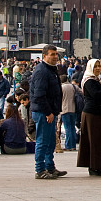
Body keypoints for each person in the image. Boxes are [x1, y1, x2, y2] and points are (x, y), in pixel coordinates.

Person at [30, 44, 66, 179]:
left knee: (51, 141)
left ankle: (50, 167)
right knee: (42, 141)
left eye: (56, 54)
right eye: (52, 54)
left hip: (50, 111)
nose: (55, 57)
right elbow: (39, 95)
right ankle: (40, 169)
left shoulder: (51, 69)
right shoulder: (42, 71)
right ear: (44, 56)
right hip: (43, 112)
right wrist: (48, 112)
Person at [77, 58, 101, 176]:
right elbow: (96, 95)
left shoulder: (98, 79)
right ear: (90, 68)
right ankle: (93, 166)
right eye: (95, 67)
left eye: (99, 66)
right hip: (91, 114)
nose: (98, 69)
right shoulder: (89, 81)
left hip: (100, 113)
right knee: (94, 141)